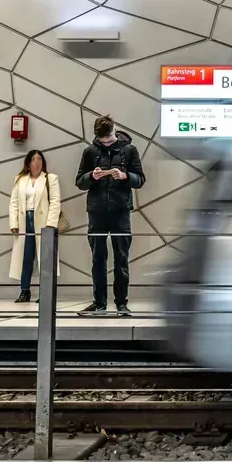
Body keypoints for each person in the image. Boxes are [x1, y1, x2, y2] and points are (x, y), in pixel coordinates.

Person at [75, 116, 145, 317]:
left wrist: (124, 176)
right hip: (96, 211)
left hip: (120, 211)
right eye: (102, 140)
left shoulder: (129, 150)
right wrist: (92, 176)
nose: (106, 142)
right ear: (97, 136)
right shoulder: (90, 151)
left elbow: (140, 179)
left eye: (109, 138)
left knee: (121, 258)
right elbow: (79, 182)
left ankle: (122, 303)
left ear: (115, 131)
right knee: (98, 259)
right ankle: (99, 303)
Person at [8, 149, 61, 303]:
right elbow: (14, 203)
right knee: (26, 257)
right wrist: (14, 223)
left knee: (45, 258)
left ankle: (45, 292)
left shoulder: (50, 179)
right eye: (33, 159)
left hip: (43, 222)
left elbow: (55, 202)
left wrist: (50, 223)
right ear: (28, 163)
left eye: (39, 159)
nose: (36, 162)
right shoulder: (20, 180)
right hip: (25, 221)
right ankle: (24, 291)